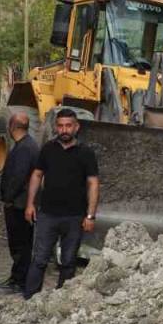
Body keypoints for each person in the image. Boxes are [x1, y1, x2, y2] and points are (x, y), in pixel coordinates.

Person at [23, 109, 99, 299]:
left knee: (68, 261)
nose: (64, 129)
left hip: (74, 217)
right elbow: (37, 175)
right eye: (60, 125)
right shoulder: (48, 149)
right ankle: (30, 299)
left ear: (76, 127)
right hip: (48, 214)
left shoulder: (86, 153)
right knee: (39, 259)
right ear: (56, 127)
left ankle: (61, 300)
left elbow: (93, 183)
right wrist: (30, 204)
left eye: (68, 125)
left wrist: (90, 215)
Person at [0, 112, 39, 293]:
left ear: (12, 127)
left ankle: (20, 281)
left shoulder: (25, 148)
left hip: (19, 204)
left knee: (20, 245)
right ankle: (16, 277)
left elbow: (18, 177)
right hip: (20, 202)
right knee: (20, 244)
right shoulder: (26, 145)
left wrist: (8, 198)